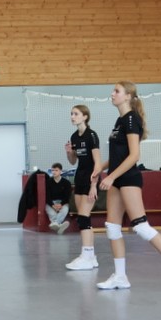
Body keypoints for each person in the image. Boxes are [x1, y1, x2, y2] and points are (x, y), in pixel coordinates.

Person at [94, 81, 161, 293]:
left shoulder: (131, 119)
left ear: (128, 96)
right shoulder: (120, 120)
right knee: (112, 227)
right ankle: (120, 276)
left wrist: (111, 177)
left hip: (128, 178)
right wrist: (100, 168)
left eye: (117, 91)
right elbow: (117, 156)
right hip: (116, 179)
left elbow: (134, 156)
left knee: (140, 226)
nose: (112, 94)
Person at [64, 105, 102, 270]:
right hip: (79, 178)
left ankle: (86, 256)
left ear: (85, 117)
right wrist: (69, 152)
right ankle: (90, 257)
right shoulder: (74, 136)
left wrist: (94, 185)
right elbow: (73, 161)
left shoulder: (91, 135)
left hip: (90, 179)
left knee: (84, 217)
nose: (72, 116)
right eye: (71, 114)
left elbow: (98, 163)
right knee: (82, 219)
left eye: (76, 114)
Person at [45, 163, 72, 235]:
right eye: (52, 170)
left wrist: (61, 204)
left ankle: (55, 223)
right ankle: (59, 226)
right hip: (51, 202)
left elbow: (67, 196)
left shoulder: (66, 183)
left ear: (60, 171)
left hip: (63, 202)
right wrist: (52, 205)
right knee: (50, 211)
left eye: (56, 170)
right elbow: (47, 196)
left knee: (65, 210)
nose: (54, 172)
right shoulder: (48, 182)